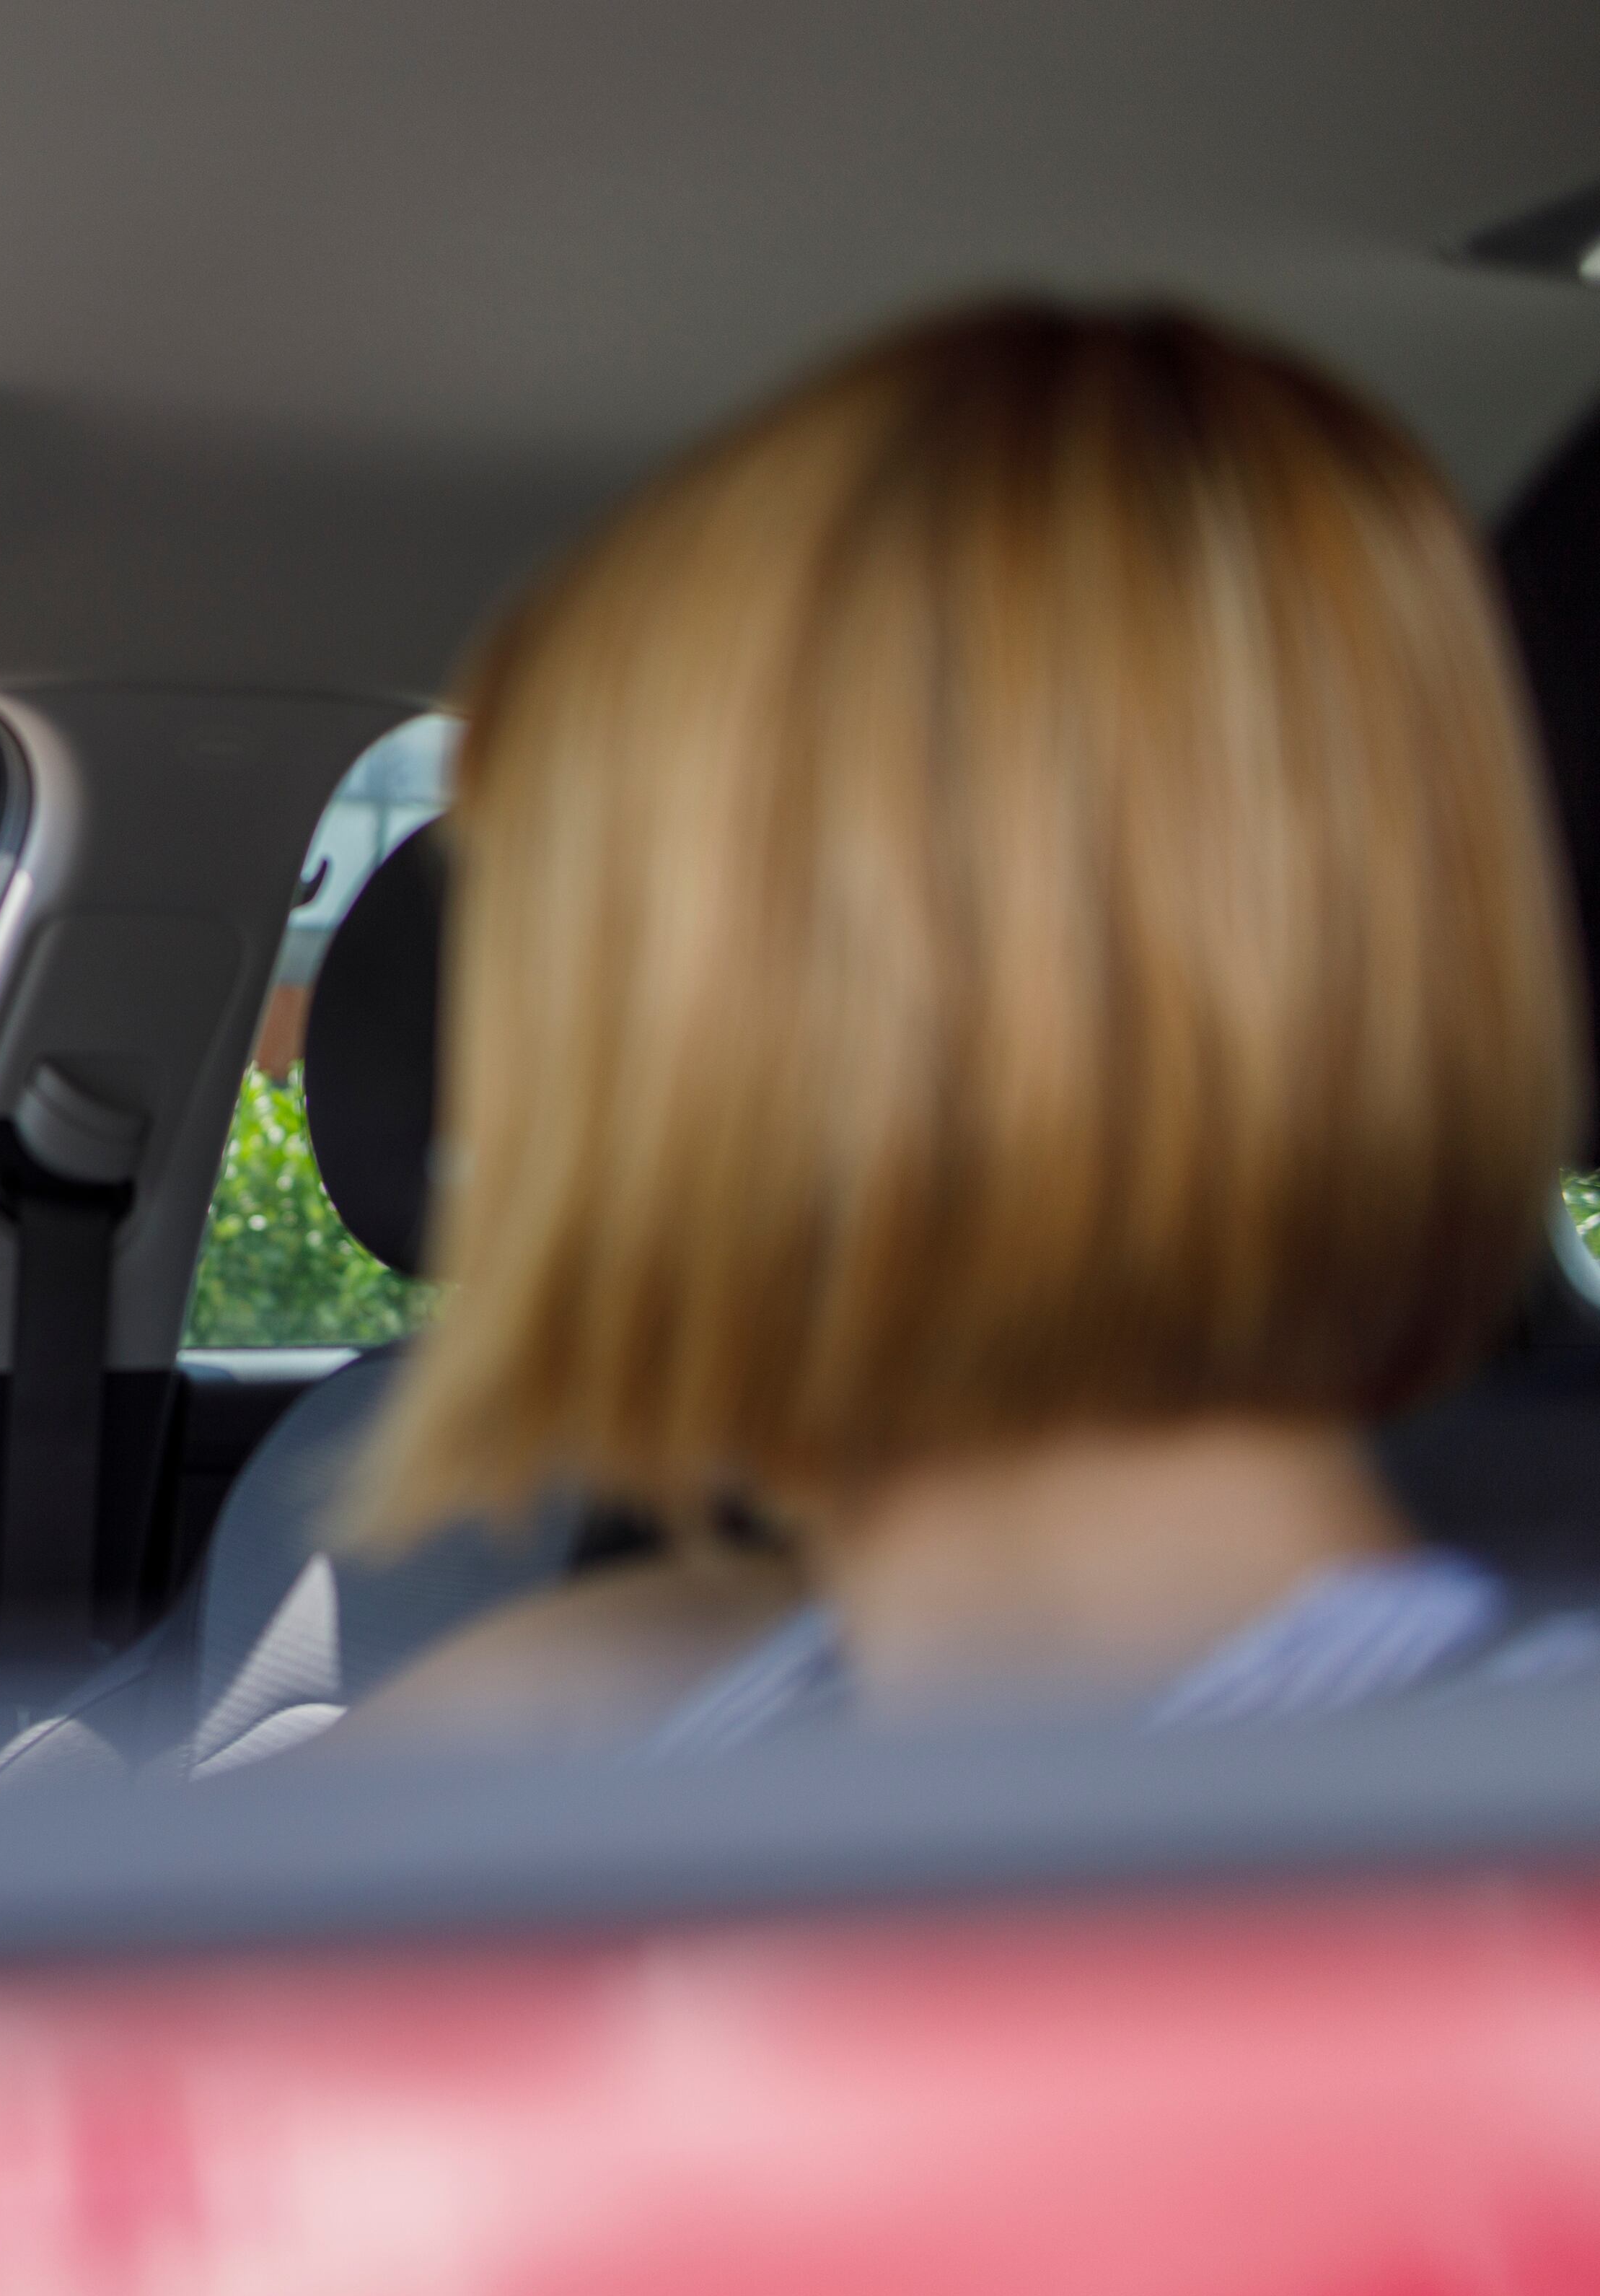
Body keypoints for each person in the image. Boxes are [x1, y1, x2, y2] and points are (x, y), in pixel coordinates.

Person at [336, 299, 1587, 1756]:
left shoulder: (547, 1749)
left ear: (781, 1024)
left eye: (562, 957)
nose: (492, 1101)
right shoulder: (565, 1707)